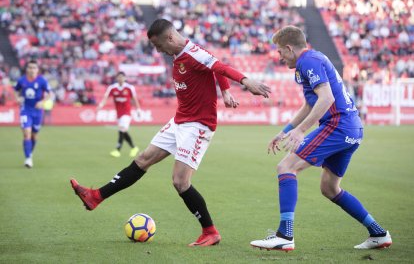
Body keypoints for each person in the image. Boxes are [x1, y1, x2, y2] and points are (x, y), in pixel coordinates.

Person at [70, 18, 270, 247]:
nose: (158, 51)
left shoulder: (193, 53)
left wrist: (245, 81)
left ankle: (210, 231)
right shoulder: (179, 54)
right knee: (143, 159)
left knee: (180, 182)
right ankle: (95, 197)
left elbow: (220, 67)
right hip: (179, 121)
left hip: (198, 125)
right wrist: (224, 92)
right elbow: (215, 67)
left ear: (170, 38)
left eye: (158, 46)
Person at [250, 26, 392, 251]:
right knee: (330, 188)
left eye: (280, 51)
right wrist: (286, 130)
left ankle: (284, 235)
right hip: (352, 128)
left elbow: (326, 99)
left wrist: (300, 131)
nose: (278, 56)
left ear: (289, 48)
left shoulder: (308, 61)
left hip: (338, 125)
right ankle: (378, 233)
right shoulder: (305, 64)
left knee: (286, 166)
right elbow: (310, 104)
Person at [14, 60, 51, 168]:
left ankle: (29, 153)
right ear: (27, 69)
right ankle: (28, 158)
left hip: (37, 111)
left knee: (34, 136)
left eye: (34, 68)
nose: (31, 70)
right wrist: (18, 98)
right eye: (29, 67)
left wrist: (42, 102)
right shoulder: (22, 80)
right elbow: (16, 90)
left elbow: (50, 93)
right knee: (26, 133)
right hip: (25, 109)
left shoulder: (42, 81)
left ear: (37, 69)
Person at [97, 71, 140, 158]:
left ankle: (117, 150)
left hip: (126, 113)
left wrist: (138, 109)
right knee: (122, 131)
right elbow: (106, 97)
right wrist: (101, 105)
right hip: (119, 113)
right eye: (119, 77)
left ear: (125, 78)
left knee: (122, 129)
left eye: (122, 77)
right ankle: (133, 148)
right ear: (117, 78)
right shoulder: (112, 88)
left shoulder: (129, 88)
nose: (120, 79)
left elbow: (134, 99)